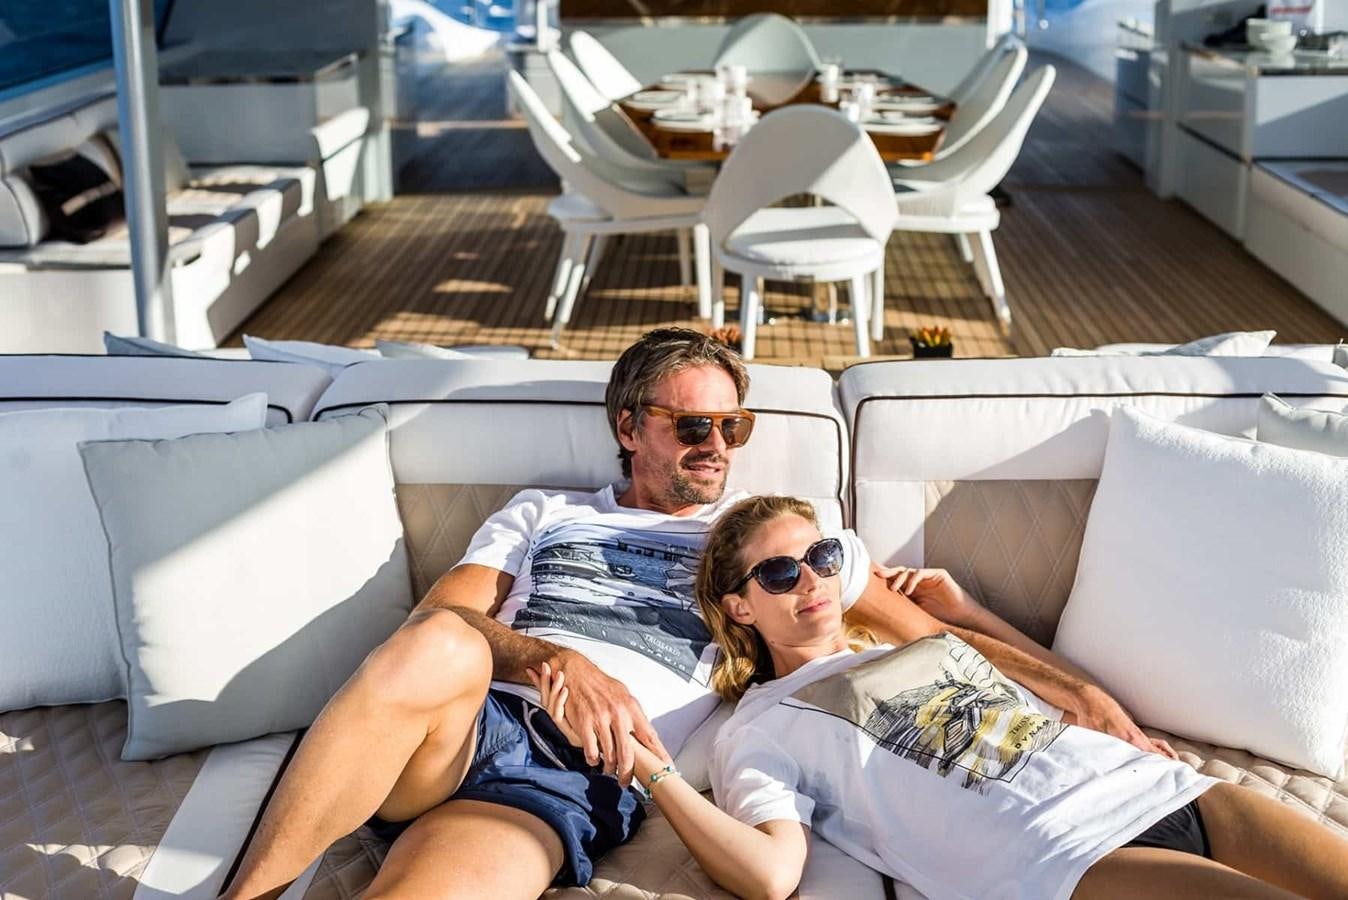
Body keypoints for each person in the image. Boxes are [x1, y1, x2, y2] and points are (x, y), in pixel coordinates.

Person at [221, 330, 1154, 899]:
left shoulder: (776, 544)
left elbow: (933, 641)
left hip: (574, 781)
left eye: (731, 427)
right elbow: (442, 622)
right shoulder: (549, 512)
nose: (717, 446)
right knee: (432, 645)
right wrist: (554, 661)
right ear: (630, 427)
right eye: (691, 425)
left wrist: (1082, 693)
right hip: (469, 718)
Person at [530, 494, 1348, 899]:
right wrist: (654, 774)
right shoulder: (760, 729)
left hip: (1167, 787)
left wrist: (965, 613)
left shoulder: (911, 640)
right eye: (779, 573)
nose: (809, 581)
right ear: (741, 606)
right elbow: (772, 874)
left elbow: (1055, 685)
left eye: (819, 557)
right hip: (1064, 856)